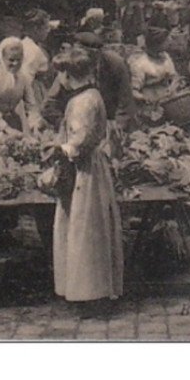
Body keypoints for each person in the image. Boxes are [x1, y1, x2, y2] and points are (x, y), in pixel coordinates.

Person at [51, 46, 123, 314]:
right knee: (89, 229)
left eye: (60, 74)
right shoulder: (92, 95)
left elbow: (80, 140)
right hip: (92, 167)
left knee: (84, 231)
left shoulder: (82, 102)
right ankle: (91, 290)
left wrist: (61, 149)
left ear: (68, 75)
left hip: (85, 171)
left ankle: (89, 294)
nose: (59, 80)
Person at [0, 37, 43, 134]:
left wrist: (35, 124)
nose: (15, 63)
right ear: (2, 58)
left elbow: (31, 105)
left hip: (11, 120)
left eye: (19, 59)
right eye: (11, 60)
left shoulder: (23, 78)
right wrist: (5, 128)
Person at [127, 27, 179, 109]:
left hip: (169, 99)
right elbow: (133, 91)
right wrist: (145, 99)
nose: (169, 43)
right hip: (150, 103)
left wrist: (173, 86)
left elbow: (174, 76)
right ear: (157, 44)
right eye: (166, 41)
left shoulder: (165, 56)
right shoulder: (140, 64)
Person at [20, 8, 52, 107]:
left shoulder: (24, 43)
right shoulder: (32, 50)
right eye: (46, 27)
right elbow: (26, 78)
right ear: (36, 29)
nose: (48, 31)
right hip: (34, 92)